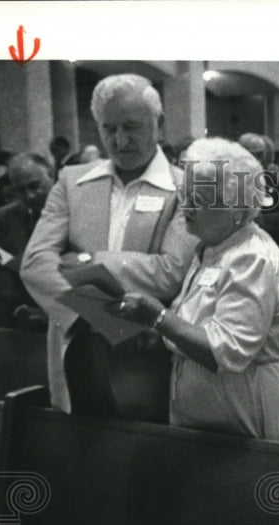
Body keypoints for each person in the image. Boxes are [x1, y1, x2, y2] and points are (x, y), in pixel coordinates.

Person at [21, 73, 198, 419]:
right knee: (79, 446)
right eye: (108, 128)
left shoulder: (184, 187)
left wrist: (87, 260)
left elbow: (171, 272)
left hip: (147, 351)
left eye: (131, 127)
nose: (119, 140)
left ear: (158, 124)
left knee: (142, 451)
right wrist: (101, 317)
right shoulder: (72, 181)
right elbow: (35, 263)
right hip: (78, 343)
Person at [110, 138, 279, 440]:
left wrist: (159, 318)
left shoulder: (251, 257)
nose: (187, 207)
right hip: (211, 425)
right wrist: (153, 332)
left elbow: (228, 351)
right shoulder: (211, 249)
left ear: (237, 207)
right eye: (185, 195)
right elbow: (194, 325)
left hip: (245, 422)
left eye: (200, 199)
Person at [0, 152, 54, 330]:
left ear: (51, 176)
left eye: (34, 186)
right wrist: (18, 308)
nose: (29, 195)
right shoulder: (5, 216)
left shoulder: (74, 212)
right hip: (20, 313)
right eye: (20, 189)